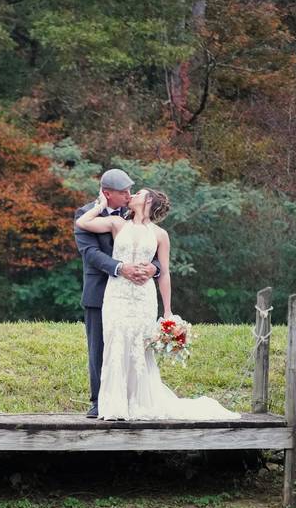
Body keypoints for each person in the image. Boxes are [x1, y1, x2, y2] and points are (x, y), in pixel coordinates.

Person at [75, 186, 240, 420]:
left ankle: (139, 403)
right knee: (115, 342)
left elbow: (164, 273)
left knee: (140, 348)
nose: (131, 195)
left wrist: (169, 310)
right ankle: (114, 406)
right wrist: (100, 205)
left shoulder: (160, 235)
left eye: (138, 193)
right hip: (117, 294)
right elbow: (83, 222)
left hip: (143, 298)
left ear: (149, 201)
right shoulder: (117, 224)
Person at [74, 169, 157, 418]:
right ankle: (100, 401)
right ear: (107, 193)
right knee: (99, 346)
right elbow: (90, 253)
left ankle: (131, 399)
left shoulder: (133, 212)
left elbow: (153, 243)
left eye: (130, 191)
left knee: (131, 344)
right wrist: (121, 268)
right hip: (100, 290)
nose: (129, 195)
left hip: (133, 294)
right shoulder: (86, 213)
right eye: (123, 192)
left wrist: (155, 268)